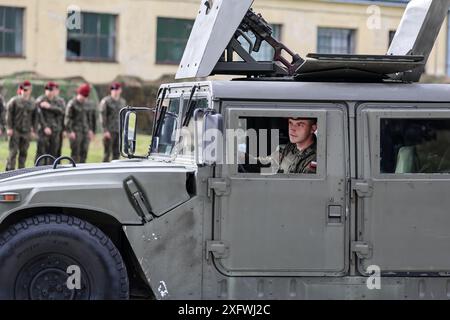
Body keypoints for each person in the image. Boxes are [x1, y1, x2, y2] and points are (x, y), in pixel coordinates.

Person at [5, 81, 37, 171]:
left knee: (24, 152)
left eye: (28, 89)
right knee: (13, 152)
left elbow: (35, 118)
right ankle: (10, 170)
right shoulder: (14, 101)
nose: (26, 91)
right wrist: (9, 128)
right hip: (15, 130)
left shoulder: (32, 102)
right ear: (21, 90)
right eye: (24, 89)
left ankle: (21, 171)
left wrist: (34, 130)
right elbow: (9, 115)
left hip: (26, 131)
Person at [35, 82, 65, 165]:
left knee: (54, 153)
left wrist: (49, 107)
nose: (50, 91)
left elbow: (62, 111)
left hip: (56, 130)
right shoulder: (40, 100)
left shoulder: (59, 101)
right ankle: (39, 171)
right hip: (43, 130)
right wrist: (45, 127)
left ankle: (53, 171)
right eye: (48, 89)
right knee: (41, 152)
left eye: (52, 89)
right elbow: (38, 115)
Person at [65, 83, 94, 163]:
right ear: (79, 93)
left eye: (86, 97)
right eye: (83, 96)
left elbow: (90, 118)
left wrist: (91, 130)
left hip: (85, 132)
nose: (84, 98)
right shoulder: (72, 104)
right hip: (75, 132)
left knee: (84, 153)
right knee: (75, 155)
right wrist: (70, 131)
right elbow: (68, 118)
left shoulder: (88, 104)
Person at [100, 82, 126, 162]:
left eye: (116, 89)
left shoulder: (122, 102)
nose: (114, 91)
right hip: (109, 131)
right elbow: (102, 116)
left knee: (117, 153)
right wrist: (105, 131)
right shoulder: (106, 101)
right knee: (107, 153)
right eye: (113, 89)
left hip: (119, 130)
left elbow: (124, 116)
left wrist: (124, 129)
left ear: (120, 90)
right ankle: (104, 170)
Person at [54, 83, 66, 157]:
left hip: (59, 129)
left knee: (58, 150)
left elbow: (63, 114)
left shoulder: (61, 101)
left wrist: (64, 129)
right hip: (49, 130)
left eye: (55, 90)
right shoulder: (44, 100)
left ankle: (57, 166)